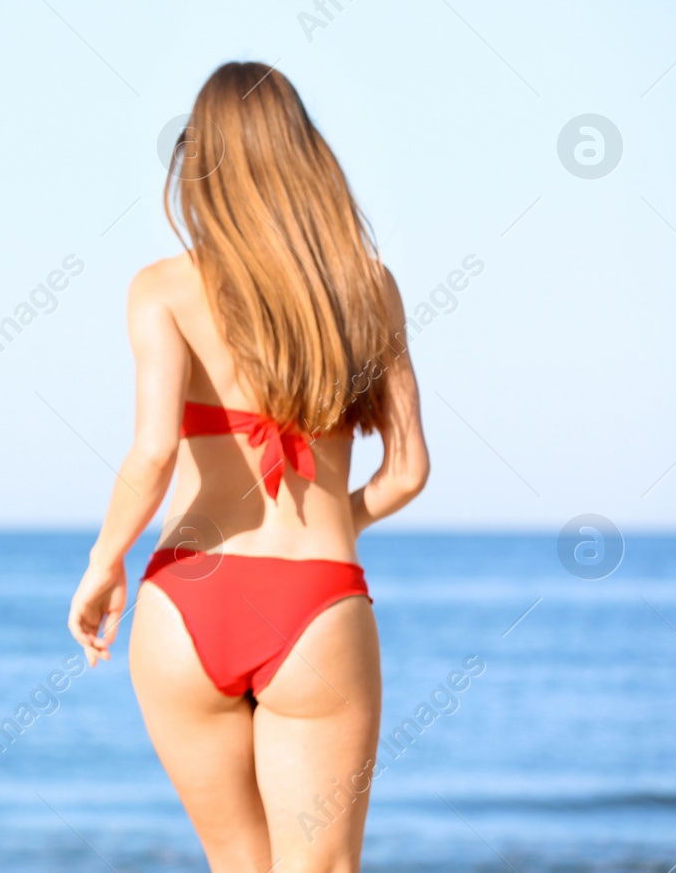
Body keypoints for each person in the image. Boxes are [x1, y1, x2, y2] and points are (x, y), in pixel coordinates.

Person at [67, 62, 430, 873]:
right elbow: (407, 470)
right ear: (305, 153)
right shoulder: (369, 288)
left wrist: (104, 562)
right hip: (314, 603)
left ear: (202, 162)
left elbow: (153, 451)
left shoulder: (161, 288)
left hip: (184, 603)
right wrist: (340, 509)